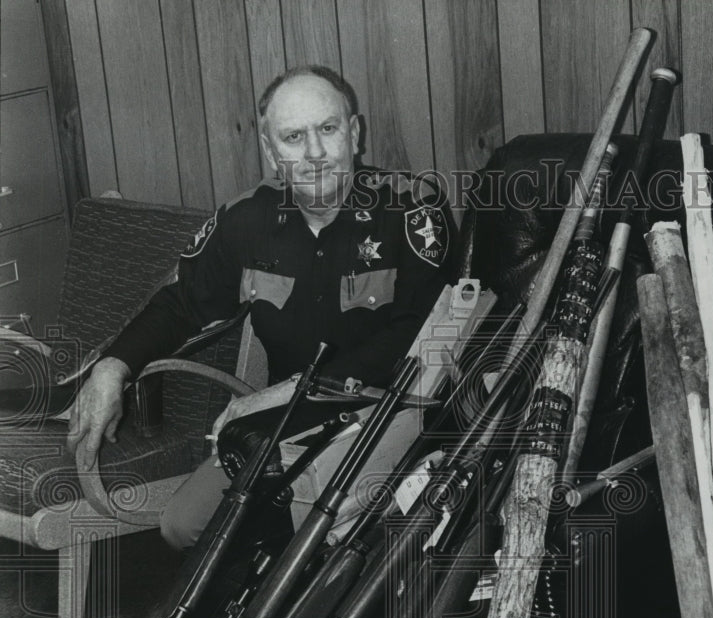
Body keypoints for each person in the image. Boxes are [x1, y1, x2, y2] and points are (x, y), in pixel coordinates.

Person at [67, 65, 454, 549]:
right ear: (272, 152)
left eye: (328, 129)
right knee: (184, 525)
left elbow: (422, 335)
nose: (314, 153)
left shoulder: (411, 212)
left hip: (389, 412)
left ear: (354, 134)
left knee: (316, 533)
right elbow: (182, 303)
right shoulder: (245, 220)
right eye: (293, 137)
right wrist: (113, 366)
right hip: (282, 427)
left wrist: (294, 390)